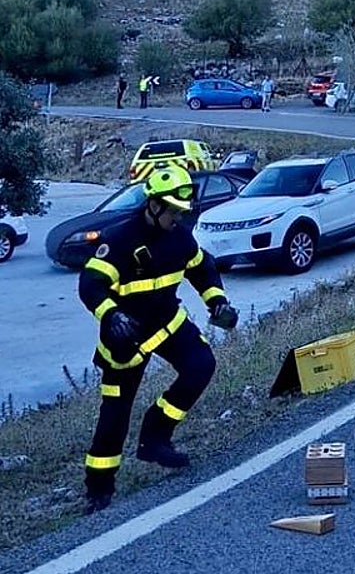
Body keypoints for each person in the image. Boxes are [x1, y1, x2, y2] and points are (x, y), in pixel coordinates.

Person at [78, 163, 239, 514]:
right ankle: (99, 488)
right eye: (174, 212)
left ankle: (155, 437)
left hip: (167, 322)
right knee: (116, 413)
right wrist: (111, 314)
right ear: (153, 205)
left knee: (201, 365)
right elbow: (90, 284)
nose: (178, 219)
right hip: (126, 337)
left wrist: (218, 302)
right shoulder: (119, 239)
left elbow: (201, 267)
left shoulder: (180, 236)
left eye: (183, 212)